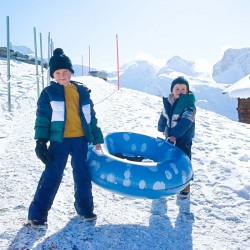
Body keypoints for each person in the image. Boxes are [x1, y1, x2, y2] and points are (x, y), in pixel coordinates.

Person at [27, 48, 104, 229]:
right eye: (57, 72)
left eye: (65, 72)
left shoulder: (82, 92)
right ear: (53, 75)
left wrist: (97, 137)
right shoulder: (49, 93)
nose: (62, 75)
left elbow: (91, 117)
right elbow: (43, 118)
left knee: (83, 175)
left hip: (81, 140)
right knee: (52, 176)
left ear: (71, 72)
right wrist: (40, 141)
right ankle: (37, 215)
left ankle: (85, 209)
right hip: (59, 141)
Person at [158, 76, 196, 199]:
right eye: (177, 88)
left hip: (183, 138)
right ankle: (166, 181)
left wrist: (175, 134)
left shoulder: (189, 104)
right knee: (167, 157)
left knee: (183, 160)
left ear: (187, 91)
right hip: (170, 136)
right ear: (172, 91)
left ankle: (185, 186)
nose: (180, 91)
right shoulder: (169, 102)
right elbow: (164, 115)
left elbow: (186, 121)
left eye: (183, 89)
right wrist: (161, 126)